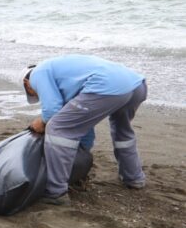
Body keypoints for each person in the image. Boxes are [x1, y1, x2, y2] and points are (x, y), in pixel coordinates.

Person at [21, 55, 147, 205]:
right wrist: (81, 158)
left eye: (34, 93)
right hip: (136, 85)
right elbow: (83, 129)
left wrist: (41, 121)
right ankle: (134, 178)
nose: (37, 95)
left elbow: (51, 110)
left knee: (57, 128)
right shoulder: (66, 76)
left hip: (106, 85)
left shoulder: (38, 73)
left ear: (27, 84)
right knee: (122, 132)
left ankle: (55, 192)